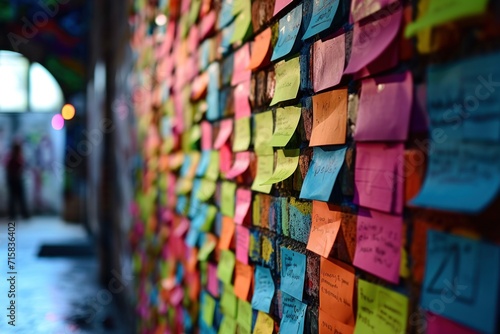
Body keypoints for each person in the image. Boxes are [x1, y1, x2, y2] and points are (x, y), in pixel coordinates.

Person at [6, 141, 29, 219]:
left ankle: (22, 214)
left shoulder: (18, 157)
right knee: (14, 198)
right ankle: (13, 214)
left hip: (17, 180)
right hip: (13, 180)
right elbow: (9, 169)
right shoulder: (11, 158)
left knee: (19, 198)